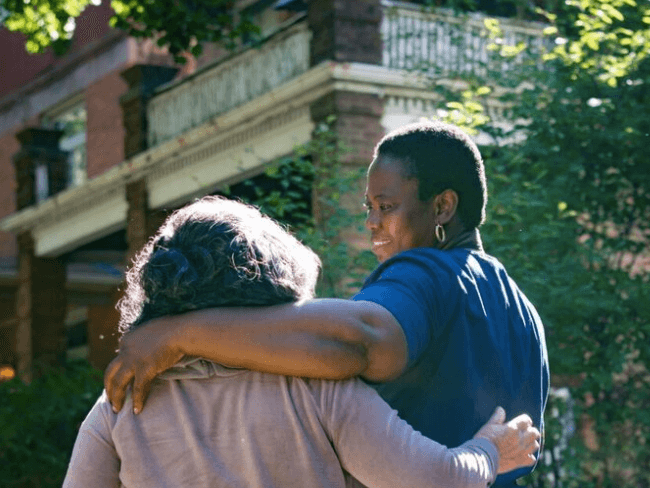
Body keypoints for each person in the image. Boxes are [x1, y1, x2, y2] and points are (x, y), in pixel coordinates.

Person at [105, 122, 551, 486]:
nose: (371, 222)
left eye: (386, 205)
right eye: (369, 205)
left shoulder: (426, 273)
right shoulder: (525, 316)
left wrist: (178, 334)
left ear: (443, 207)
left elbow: (360, 342)